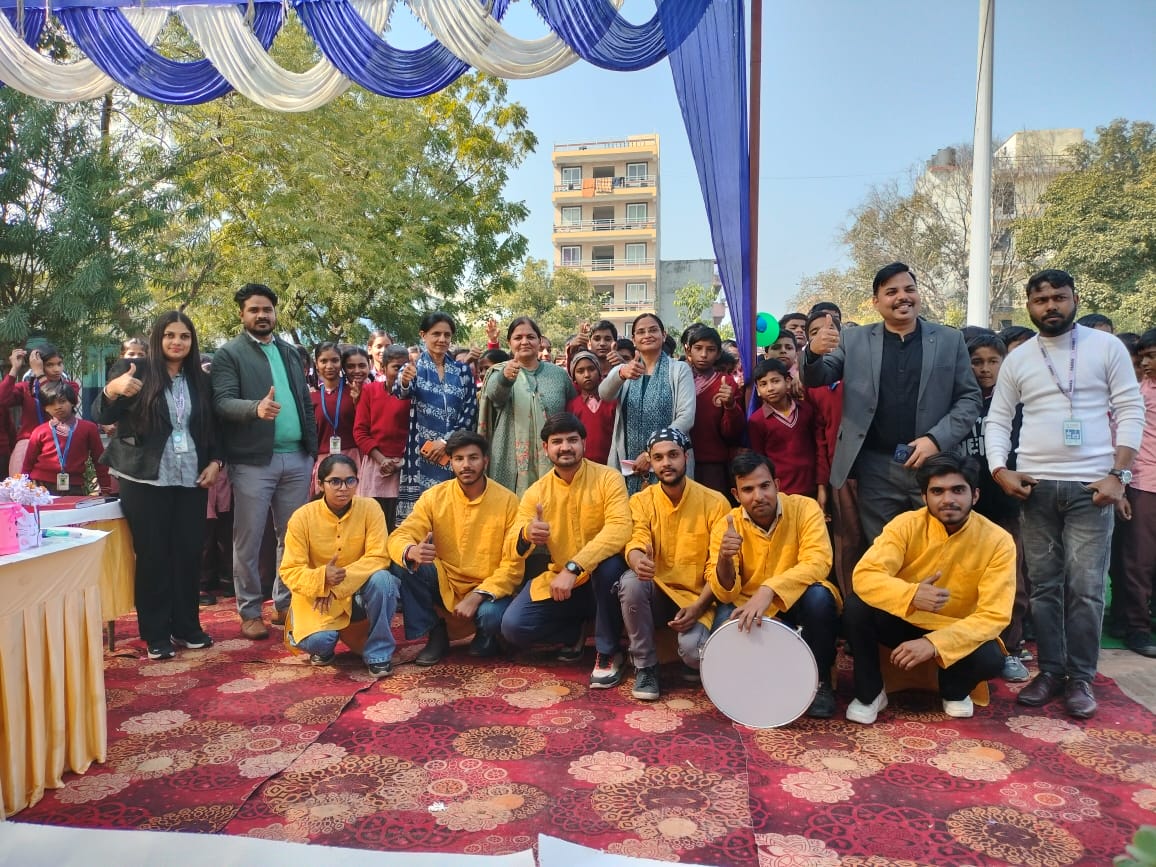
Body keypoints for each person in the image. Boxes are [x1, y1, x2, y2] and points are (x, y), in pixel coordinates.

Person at [986, 269, 1145, 720]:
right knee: (1044, 587)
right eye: (1041, 300)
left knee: (1087, 589)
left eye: (1059, 297)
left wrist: (1119, 475)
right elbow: (999, 418)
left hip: (1092, 487)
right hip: (1035, 488)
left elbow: (1131, 409)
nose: (1051, 306)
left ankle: (1081, 678)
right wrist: (999, 469)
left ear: (1074, 299)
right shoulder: (1019, 358)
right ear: (1029, 306)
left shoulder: (1105, 347)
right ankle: (1051, 671)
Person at [802, 262, 982, 544]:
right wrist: (812, 353)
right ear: (876, 302)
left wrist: (936, 440)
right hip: (877, 467)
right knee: (884, 547)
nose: (902, 297)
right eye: (892, 292)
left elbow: (970, 398)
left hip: (934, 464)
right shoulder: (854, 339)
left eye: (909, 289)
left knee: (940, 544)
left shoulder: (950, 340)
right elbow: (817, 377)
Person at [844, 453, 1014, 723]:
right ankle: (870, 693)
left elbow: (994, 615)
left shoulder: (998, 541)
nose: (948, 499)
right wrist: (911, 594)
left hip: (955, 629)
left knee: (991, 658)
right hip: (905, 618)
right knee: (857, 606)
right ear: (924, 497)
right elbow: (865, 575)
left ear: (975, 495)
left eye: (958, 490)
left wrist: (934, 643)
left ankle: (954, 690)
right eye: (937, 491)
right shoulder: (905, 525)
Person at [93, 311, 219, 659]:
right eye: (170, 335)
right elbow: (102, 416)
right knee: (153, 555)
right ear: (157, 338)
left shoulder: (201, 379)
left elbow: (213, 427)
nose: (177, 342)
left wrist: (216, 461)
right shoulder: (135, 370)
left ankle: (187, 627)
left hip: (191, 476)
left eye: (184, 336)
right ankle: (156, 633)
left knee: (188, 552)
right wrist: (111, 390)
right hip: (144, 476)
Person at [211, 283, 318, 640]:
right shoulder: (229, 354)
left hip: (297, 458)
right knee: (249, 539)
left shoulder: (290, 352)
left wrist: (311, 449)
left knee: (293, 537)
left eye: (267, 309)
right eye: (254, 310)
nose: (261, 315)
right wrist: (254, 409)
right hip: (253, 461)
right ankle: (250, 611)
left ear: (275, 313)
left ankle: (285, 604)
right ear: (241, 314)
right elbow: (222, 402)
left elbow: (304, 402)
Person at [707, 452, 839, 718]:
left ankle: (820, 681)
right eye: (748, 490)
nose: (758, 496)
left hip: (795, 599)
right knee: (722, 629)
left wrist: (770, 589)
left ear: (777, 485)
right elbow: (725, 591)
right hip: (747, 603)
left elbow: (819, 561)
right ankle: (752, 686)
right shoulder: (727, 524)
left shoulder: (805, 508)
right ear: (736, 494)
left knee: (820, 598)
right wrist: (724, 558)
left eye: (764, 486)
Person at [500, 413, 631, 676]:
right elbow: (511, 546)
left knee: (610, 565)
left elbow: (620, 529)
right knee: (514, 627)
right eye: (557, 441)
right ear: (545, 447)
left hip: (602, 583)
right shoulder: (536, 492)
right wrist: (527, 534)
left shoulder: (608, 478)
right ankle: (576, 631)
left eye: (572, 440)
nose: (565, 447)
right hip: (564, 584)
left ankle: (608, 651)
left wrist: (574, 566)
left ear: (584, 443)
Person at [606, 428, 730, 700]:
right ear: (650, 462)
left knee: (694, 654)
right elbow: (635, 540)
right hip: (659, 594)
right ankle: (646, 667)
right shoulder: (641, 500)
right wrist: (638, 560)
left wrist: (698, 607)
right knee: (631, 582)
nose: (666, 463)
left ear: (686, 457)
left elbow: (717, 567)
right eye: (658, 457)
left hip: (698, 599)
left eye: (673, 455)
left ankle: (685, 653)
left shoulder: (715, 503)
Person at [388, 430, 525, 664]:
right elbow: (400, 535)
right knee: (403, 562)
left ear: (485, 461)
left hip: (487, 588)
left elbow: (513, 565)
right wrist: (411, 550)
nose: (466, 465)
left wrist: (478, 595)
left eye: (473, 458)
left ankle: (486, 633)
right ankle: (436, 632)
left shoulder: (508, 501)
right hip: (446, 582)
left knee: (491, 616)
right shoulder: (434, 497)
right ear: (450, 463)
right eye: (459, 459)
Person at [280, 455, 399, 677]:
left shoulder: (370, 508)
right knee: (319, 642)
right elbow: (290, 570)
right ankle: (311, 639)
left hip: (357, 593)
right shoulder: (302, 517)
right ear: (320, 484)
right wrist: (322, 578)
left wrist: (336, 584)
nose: (343, 488)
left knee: (384, 580)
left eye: (350, 481)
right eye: (335, 481)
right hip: (318, 597)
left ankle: (379, 653)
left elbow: (379, 556)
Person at [958, 333, 1030, 682]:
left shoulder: (1018, 402)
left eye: (992, 361)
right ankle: (969, 644)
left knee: (1010, 579)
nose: (984, 369)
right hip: (967, 507)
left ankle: (1009, 648)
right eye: (977, 362)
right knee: (968, 579)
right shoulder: (959, 401)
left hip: (1006, 505)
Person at [479, 317, 576, 496]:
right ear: (509, 342)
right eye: (518, 337)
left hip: (553, 457)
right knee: (509, 507)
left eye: (530, 337)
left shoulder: (558, 375)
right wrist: (505, 379)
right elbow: (495, 396)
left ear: (539, 341)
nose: (525, 342)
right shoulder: (498, 371)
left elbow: (573, 411)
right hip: (509, 458)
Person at [394, 312, 478, 520]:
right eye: (436, 334)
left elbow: (469, 411)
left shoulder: (462, 371)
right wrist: (404, 381)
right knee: (424, 514)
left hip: (454, 450)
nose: (442, 339)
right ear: (423, 335)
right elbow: (400, 392)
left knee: (454, 513)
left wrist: (446, 442)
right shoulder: (413, 368)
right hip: (422, 452)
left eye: (447, 335)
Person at [600, 313, 695, 493]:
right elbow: (604, 394)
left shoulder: (679, 369)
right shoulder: (625, 370)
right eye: (641, 332)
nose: (647, 335)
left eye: (653, 330)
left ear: (663, 335)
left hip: (669, 461)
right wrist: (621, 374)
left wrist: (651, 453)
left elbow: (686, 417)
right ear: (633, 339)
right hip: (629, 465)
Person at [1114, 328, 1156, 657]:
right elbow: (1120, 442)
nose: (1145, 363)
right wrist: (1122, 489)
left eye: (1152, 357)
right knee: (1138, 562)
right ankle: (1137, 628)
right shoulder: (1136, 395)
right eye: (1143, 357)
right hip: (1143, 485)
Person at [748, 359, 822, 505]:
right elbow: (761, 461)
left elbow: (819, 448)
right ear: (757, 389)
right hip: (781, 493)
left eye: (775, 381)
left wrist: (822, 486)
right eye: (763, 384)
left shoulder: (806, 410)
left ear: (788, 382)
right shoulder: (757, 421)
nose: (770, 388)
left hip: (811, 486)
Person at [682, 323, 744, 497]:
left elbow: (732, 433)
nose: (703, 354)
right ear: (688, 351)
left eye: (710, 349)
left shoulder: (726, 383)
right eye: (698, 348)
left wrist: (730, 405)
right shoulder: (678, 378)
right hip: (679, 459)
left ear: (717, 354)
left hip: (713, 463)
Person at [1, 344, 82, 477]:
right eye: (50, 365)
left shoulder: (69, 387)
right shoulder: (27, 388)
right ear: (37, 365)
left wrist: (39, 374)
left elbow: (53, 397)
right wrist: (14, 369)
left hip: (59, 444)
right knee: (22, 485)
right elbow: (2, 399)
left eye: (59, 364)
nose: (57, 369)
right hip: (29, 443)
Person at [353, 344, 410, 532]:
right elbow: (360, 432)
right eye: (396, 367)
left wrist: (400, 462)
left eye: (405, 367)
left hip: (404, 466)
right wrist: (382, 459)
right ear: (384, 368)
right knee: (373, 524)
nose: (401, 372)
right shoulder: (370, 391)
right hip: (375, 463)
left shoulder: (413, 394)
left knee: (399, 525)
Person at [23, 380, 112, 495]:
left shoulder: (89, 428)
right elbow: (28, 463)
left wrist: (105, 489)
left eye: (62, 401)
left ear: (73, 402)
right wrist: (24, 487)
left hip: (74, 487)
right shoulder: (39, 431)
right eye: (51, 404)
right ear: (45, 408)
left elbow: (99, 460)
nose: (57, 407)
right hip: (41, 486)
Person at [310, 342, 359, 495]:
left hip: (353, 456)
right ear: (316, 364)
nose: (329, 366)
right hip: (323, 458)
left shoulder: (354, 392)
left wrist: (358, 401)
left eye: (335, 360)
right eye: (324, 361)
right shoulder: (312, 397)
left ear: (341, 362)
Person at [565, 350, 615, 466]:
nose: (587, 375)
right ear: (574, 377)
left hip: (611, 466)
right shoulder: (572, 406)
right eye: (580, 371)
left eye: (591, 369)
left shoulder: (613, 402)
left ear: (599, 371)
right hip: (582, 466)